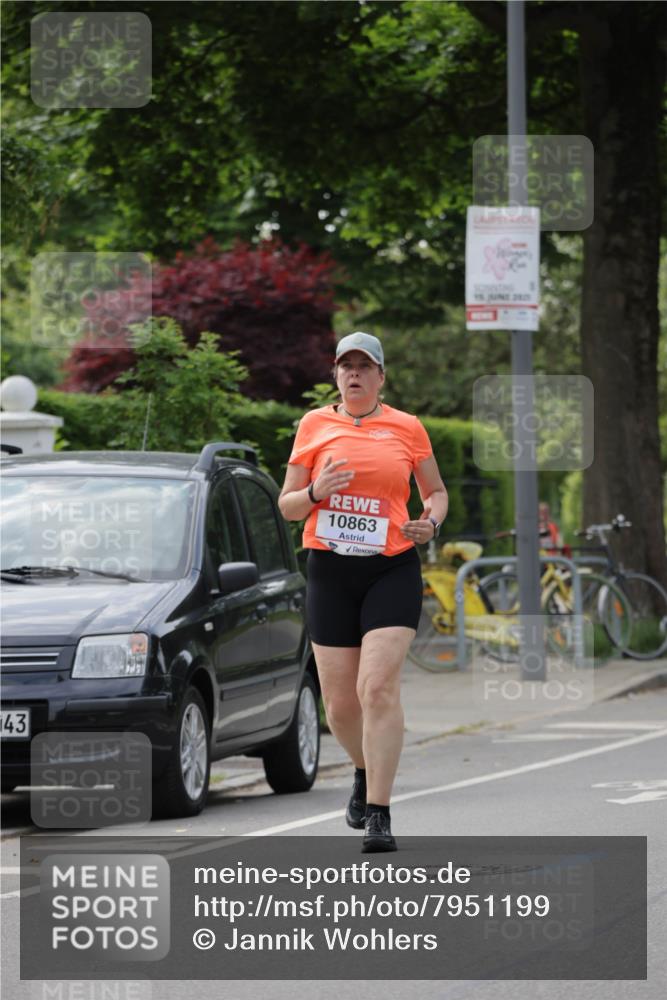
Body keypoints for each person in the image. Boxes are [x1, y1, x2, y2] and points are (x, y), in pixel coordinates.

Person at [278, 331, 448, 852]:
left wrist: (431, 523)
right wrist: (314, 492)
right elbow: (287, 505)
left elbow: (436, 493)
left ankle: (379, 812)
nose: (354, 373)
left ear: (380, 376)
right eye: (345, 365)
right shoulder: (314, 425)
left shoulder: (408, 428)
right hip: (330, 570)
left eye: (364, 365)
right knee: (340, 705)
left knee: (376, 688)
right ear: (335, 374)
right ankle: (360, 767)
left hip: (390, 568)